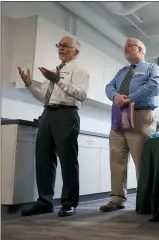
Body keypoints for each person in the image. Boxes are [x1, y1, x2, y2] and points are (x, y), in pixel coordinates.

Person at [17, 36, 90, 217]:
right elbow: (44, 97)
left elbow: (81, 95)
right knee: (43, 159)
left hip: (66, 114)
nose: (61, 48)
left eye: (66, 45)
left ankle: (69, 202)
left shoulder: (80, 70)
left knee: (67, 160)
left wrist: (58, 81)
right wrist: (28, 84)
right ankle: (44, 202)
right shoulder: (52, 71)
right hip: (47, 114)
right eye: (59, 45)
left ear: (76, 51)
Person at [101, 38, 159, 212]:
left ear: (141, 50)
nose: (126, 48)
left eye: (130, 46)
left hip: (141, 115)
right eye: (125, 46)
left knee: (141, 158)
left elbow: (155, 86)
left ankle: (146, 199)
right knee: (116, 156)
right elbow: (109, 86)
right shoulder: (122, 72)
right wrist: (115, 97)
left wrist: (131, 97)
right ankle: (116, 198)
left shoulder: (152, 68)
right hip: (119, 115)